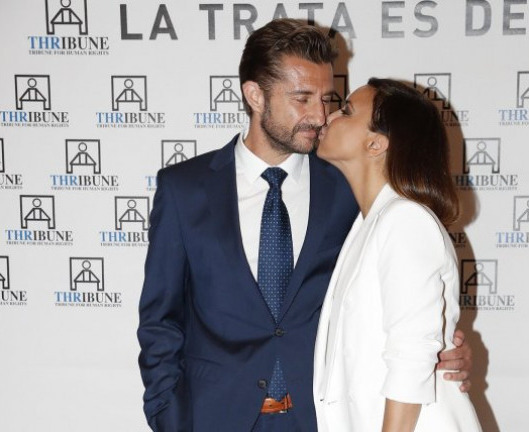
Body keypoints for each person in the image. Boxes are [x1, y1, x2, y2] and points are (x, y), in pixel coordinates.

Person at [137, 19, 472, 432]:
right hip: (215, 417)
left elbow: (403, 311)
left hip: (322, 419)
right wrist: (170, 419)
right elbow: (160, 322)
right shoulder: (184, 190)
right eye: (302, 98)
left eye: (328, 99)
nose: (320, 115)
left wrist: (440, 350)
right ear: (255, 95)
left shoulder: (350, 189)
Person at [313, 78, 482, 431]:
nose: (328, 117)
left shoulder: (405, 219)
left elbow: (411, 356)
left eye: (345, 111)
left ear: (375, 143)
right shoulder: (370, 224)